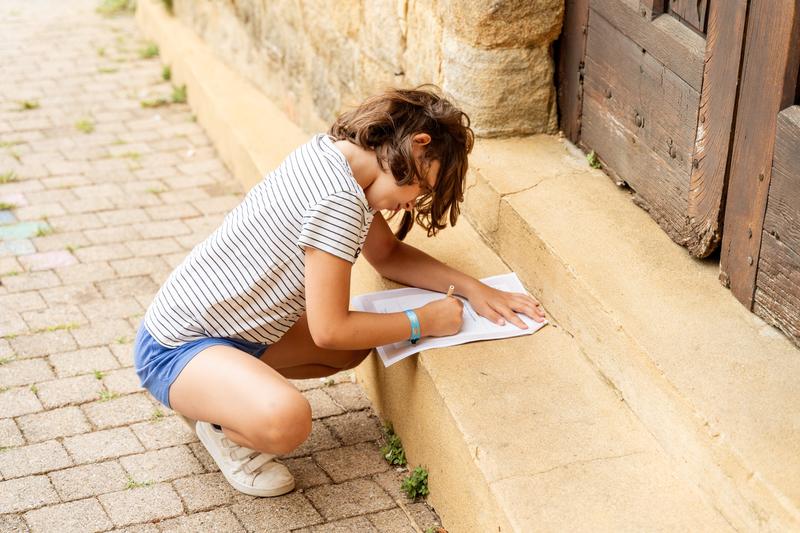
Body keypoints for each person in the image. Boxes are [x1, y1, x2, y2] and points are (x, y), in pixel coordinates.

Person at [134, 86, 546, 497]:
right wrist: (423, 321)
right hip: (174, 349)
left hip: (228, 334)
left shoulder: (332, 157)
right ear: (418, 145)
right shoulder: (339, 201)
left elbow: (386, 255)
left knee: (352, 350)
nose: (412, 203)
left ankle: (219, 395)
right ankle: (220, 423)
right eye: (421, 189)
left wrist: (474, 288)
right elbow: (329, 329)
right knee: (288, 420)